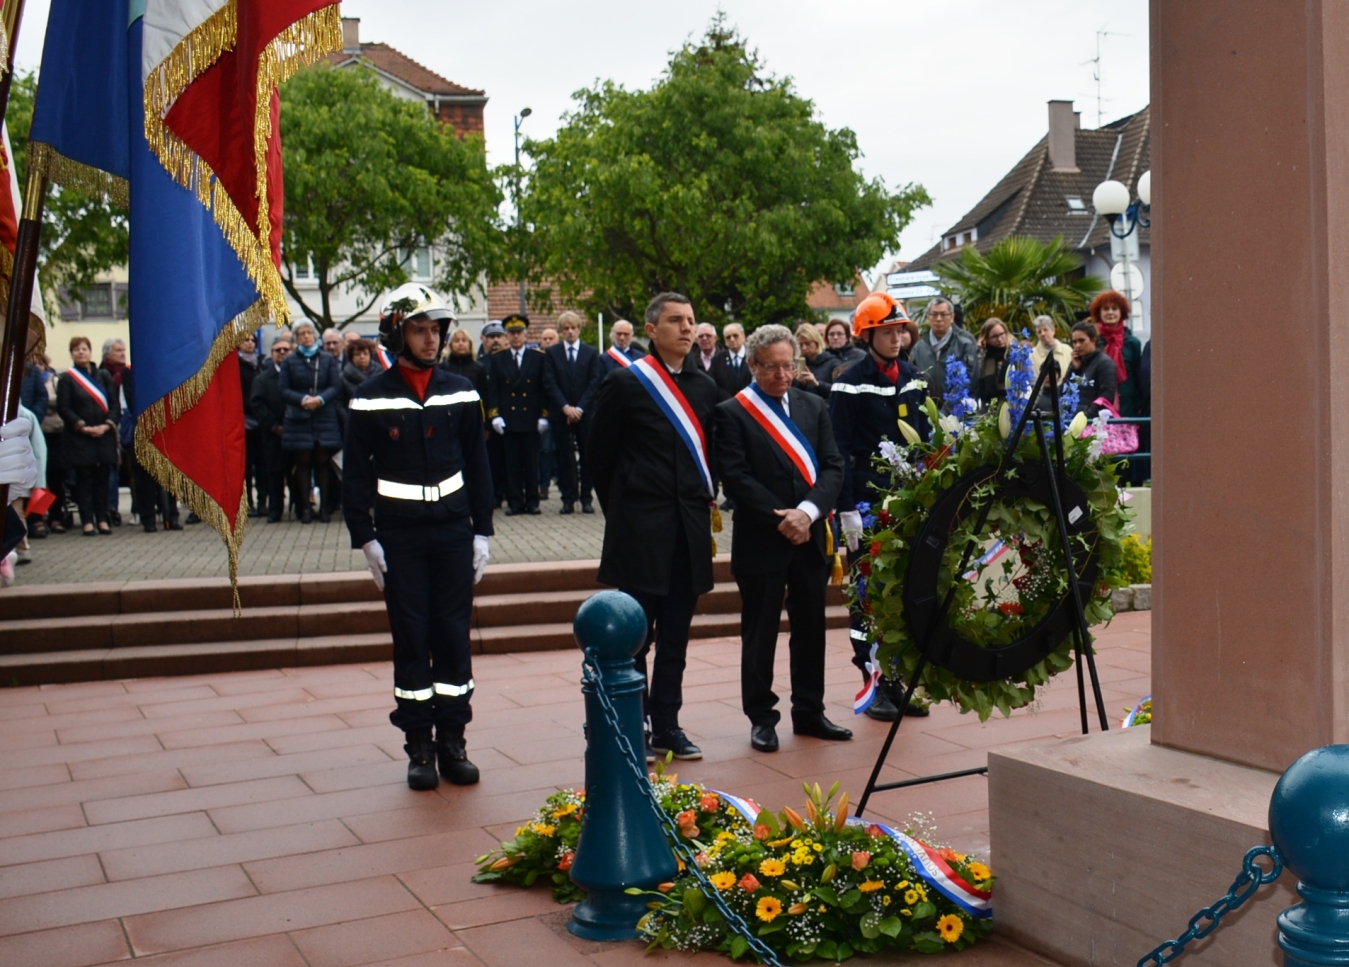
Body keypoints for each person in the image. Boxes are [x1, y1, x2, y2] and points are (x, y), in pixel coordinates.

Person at [343, 282, 493, 790]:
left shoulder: (462, 389)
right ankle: (419, 747)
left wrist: (483, 532)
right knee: (412, 636)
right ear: (396, 332)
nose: (431, 340)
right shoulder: (369, 398)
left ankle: (454, 740)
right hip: (400, 536)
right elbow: (355, 478)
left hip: (453, 532)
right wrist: (366, 538)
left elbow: (478, 464)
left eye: (436, 330)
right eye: (419, 330)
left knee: (453, 634)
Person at [589, 292, 718, 761]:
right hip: (642, 532)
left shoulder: (705, 387)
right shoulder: (625, 383)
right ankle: (631, 724)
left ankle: (667, 724)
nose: (686, 328)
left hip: (689, 532)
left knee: (676, 639)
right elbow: (599, 458)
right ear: (651, 329)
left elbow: (713, 458)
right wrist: (626, 509)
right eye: (674, 321)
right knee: (634, 637)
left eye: (690, 320)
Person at [715, 324, 848, 752]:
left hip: (810, 537)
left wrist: (807, 513)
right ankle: (761, 716)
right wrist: (783, 518)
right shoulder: (733, 412)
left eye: (789, 366)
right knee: (761, 631)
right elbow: (736, 478)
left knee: (811, 628)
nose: (782, 376)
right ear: (753, 365)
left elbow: (832, 466)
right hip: (763, 539)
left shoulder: (813, 406)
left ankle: (809, 711)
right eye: (772, 368)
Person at [830, 293, 931, 720]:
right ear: (867, 335)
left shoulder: (912, 375)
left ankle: (898, 679)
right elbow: (838, 450)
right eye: (887, 331)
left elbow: (928, 437)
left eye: (900, 330)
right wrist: (846, 509)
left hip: (907, 502)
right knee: (868, 595)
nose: (896, 337)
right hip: (865, 505)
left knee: (903, 591)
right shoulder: (848, 381)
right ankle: (873, 681)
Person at [279, 321, 343, 523]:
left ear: (315, 336)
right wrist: (303, 400)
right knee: (303, 462)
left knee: (323, 462)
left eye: (309, 333)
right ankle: (306, 508)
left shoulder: (327, 359)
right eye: (302, 334)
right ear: (297, 339)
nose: (306, 336)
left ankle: (325, 508)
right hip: (299, 418)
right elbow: (283, 389)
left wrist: (320, 399)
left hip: (324, 416)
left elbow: (335, 386)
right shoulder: (290, 361)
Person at [486, 313, 548, 515]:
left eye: (519, 333)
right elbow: (493, 389)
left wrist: (544, 415)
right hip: (509, 417)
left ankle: (533, 501)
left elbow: (543, 388)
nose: (515, 337)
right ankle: (515, 501)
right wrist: (494, 415)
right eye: (511, 333)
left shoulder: (537, 357)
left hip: (530, 417)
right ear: (506, 336)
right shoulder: (498, 359)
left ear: (525, 335)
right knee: (511, 463)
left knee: (531, 462)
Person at [57, 336, 120, 536]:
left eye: (84, 349)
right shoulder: (67, 379)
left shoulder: (103, 375)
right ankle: (87, 521)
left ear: (90, 351)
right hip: (81, 438)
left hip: (103, 435)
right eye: (76, 350)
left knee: (103, 479)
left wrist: (108, 424)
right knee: (83, 481)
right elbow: (64, 408)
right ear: (72, 354)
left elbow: (114, 404)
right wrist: (82, 427)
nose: (81, 352)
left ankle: (102, 519)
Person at [543, 310, 602, 514]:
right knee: (563, 456)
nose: (570, 332)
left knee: (588, 455)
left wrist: (580, 408)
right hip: (561, 413)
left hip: (585, 413)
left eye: (573, 328)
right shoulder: (552, 353)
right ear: (561, 331)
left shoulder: (591, 352)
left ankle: (586, 497)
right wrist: (565, 407)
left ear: (579, 329)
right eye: (566, 329)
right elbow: (550, 383)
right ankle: (567, 497)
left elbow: (595, 382)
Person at [251, 334, 292, 522]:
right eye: (278, 350)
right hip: (272, 433)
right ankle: (275, 510)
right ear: (272, 354)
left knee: (297, 472)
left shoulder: (297, 374)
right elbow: (257, 404)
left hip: (296, 431)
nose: (282, 353)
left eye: (286, 350)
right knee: (274, 473)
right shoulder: (262, 379)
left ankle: (301, 508)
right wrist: (274, 426)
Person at [910, 297, 979, 407]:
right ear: (928, 317)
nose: (938, 319)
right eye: (934, 314)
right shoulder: (919, 348)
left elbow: (969, 379)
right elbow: (913, 379)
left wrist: (946, 410)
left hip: (958, 412)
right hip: (928, 412)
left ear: (952, 317)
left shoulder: (965, 344)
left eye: (943, 314)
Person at [1089, 290, 1143, 418]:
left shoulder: (1132, 343)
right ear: (1099, 313)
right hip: (1100, 404)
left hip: (1128, 405)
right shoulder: (1094, 342)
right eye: (1106, 309)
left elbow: (1138, 375)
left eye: (1114, 308)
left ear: (1121, 313)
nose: (1110, 312)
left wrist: (1138, 405)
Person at [478, 322, 508, 508]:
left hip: (509, 416)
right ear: (484, 340)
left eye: (498, 336)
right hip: (489, 419)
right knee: (492, 460)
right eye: (491, 337)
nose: (495, 340)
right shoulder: (480, 364)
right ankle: (496, 494)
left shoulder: (508, 359)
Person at [99, 338, 129, 526]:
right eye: (118, 350)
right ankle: (110, 508)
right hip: (108, 426)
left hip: (123, 421)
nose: (122, 353)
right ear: (107, 354)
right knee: (111, 468)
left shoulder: (128, 372)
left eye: (123, 349)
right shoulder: (101, 374)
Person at [1070, 321, 1118, 418]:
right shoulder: (1077, 363)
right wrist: (1074, 369)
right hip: (1074, 421)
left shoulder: (1105, 363)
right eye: (1074, 342)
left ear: (1093, 340)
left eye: (1081, 341)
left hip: (1094, 423)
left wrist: (1086, 417)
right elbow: (1063, 390)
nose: (1077, 345)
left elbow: (1106, 397)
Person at [237, 335, 262, 517]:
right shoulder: (235, 366)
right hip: (243, 420)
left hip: (262, 420)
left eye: (252, 340)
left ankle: (263, 502)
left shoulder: (262, 364)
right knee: (245, 467)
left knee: (263, 466)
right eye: (245, 340)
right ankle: (247, 503)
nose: (249, 343)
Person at [536, 327, 559, 498]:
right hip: (539, 412)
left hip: (558, 409)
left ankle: (559, 480)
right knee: (543, 450)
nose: (548, 342)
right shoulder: (536, 359)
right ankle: (543, 485)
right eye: (545, 339)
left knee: (555, 450)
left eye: (551, 338)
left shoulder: (559, 359)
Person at [708, 323, 751, 402]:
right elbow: (713, 384)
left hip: (751, 402)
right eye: (728, 337)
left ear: (743, 336)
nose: (732, 339)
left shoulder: (754, 356)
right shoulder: (717, 360)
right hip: (727, 405)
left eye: (735, 336)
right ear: (725, 340)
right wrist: (729, 399)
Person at [441, 329, 488, 400]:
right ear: (451, 345)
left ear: (470, 344)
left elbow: (484, 395)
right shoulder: (443, 367)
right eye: (456, 341)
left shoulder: (479, 368)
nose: (460, 344)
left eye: (464, 340)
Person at [973, 318, 1011, 407]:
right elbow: (975, 379)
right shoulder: (983, 357)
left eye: (1002, 334)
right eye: (994, 336)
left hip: (1013, 408)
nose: (1000, 339)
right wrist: (979, 350)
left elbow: (1033, 383)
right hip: (987, 410)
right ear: (986, 339)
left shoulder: (1016, 354)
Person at [793, 323, 836, 397]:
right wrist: (801, 383)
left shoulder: (832, 362)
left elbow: (838, 391)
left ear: (817, 342)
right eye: (800, 345)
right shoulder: (799, 363)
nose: (804, 348)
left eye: (808, 343)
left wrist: (817, 383)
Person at [1030, 315, 1073, 385]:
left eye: (1045, 330)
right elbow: (1033, 381)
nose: (1043, 334)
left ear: (1053, 330)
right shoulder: (1032, 355)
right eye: (1039, 332)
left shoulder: (1067, 350)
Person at [341, 338, 374, 403]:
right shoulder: (343, 377)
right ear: (351, 357)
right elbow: (339, 402)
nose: (362, 357)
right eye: (357, 354)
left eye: (365, 354)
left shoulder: (380, 373)